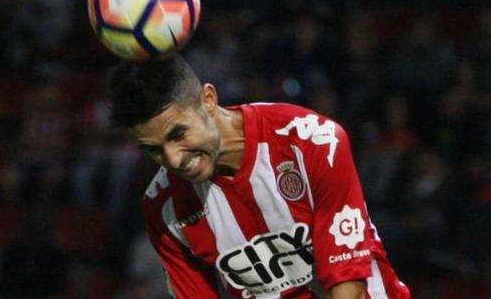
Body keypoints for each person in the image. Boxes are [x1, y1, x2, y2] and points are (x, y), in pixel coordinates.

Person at [109, 55, 411, 298]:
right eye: (154, 150)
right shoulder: (163, 205)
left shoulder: (312, 143)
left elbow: (349, 285)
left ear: (209, 100)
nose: (174, 159)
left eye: (178, 134)